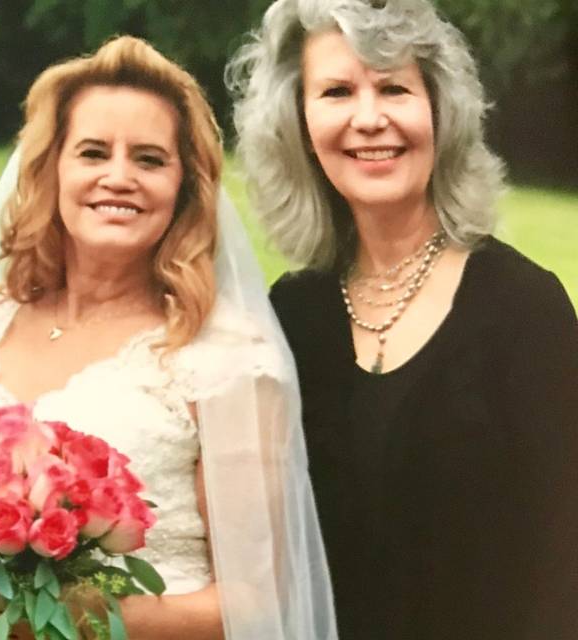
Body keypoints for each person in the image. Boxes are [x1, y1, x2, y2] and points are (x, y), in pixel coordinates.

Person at [0, 36, 336, 639]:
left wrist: (80, 615)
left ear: (185, 187)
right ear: (51, 169)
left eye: (149, 159)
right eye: (93, 152)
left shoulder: (224, 358)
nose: (119, 178)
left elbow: (262, 598)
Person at [228, 0, 578, 637]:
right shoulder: (288, 317)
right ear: (298, 123)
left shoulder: (526, 310)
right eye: (336, 91)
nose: (369, 118)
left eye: (393, 87)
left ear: (441, 113)